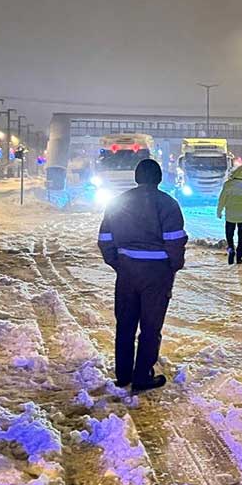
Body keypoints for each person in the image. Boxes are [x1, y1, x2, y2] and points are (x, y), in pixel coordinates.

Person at [97, 159, 186, 393]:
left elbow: (105, 239)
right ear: (158, 178)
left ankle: (123, 374)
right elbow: (175, 241)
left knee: (125, 324)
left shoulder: (118, 202)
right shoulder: (167, 204)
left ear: (136, 177)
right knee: (150, 326)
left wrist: (118, 263)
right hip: (156, 274)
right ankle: (142, 375)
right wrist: (173, 266)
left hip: (127, 272)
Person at [217, 163, 242, 265]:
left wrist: (219, 211)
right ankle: (239, 255)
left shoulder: (228, 184)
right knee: (241, 235)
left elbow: (222, 199)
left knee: (229, 234)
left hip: (231, 214)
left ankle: (231, 249)